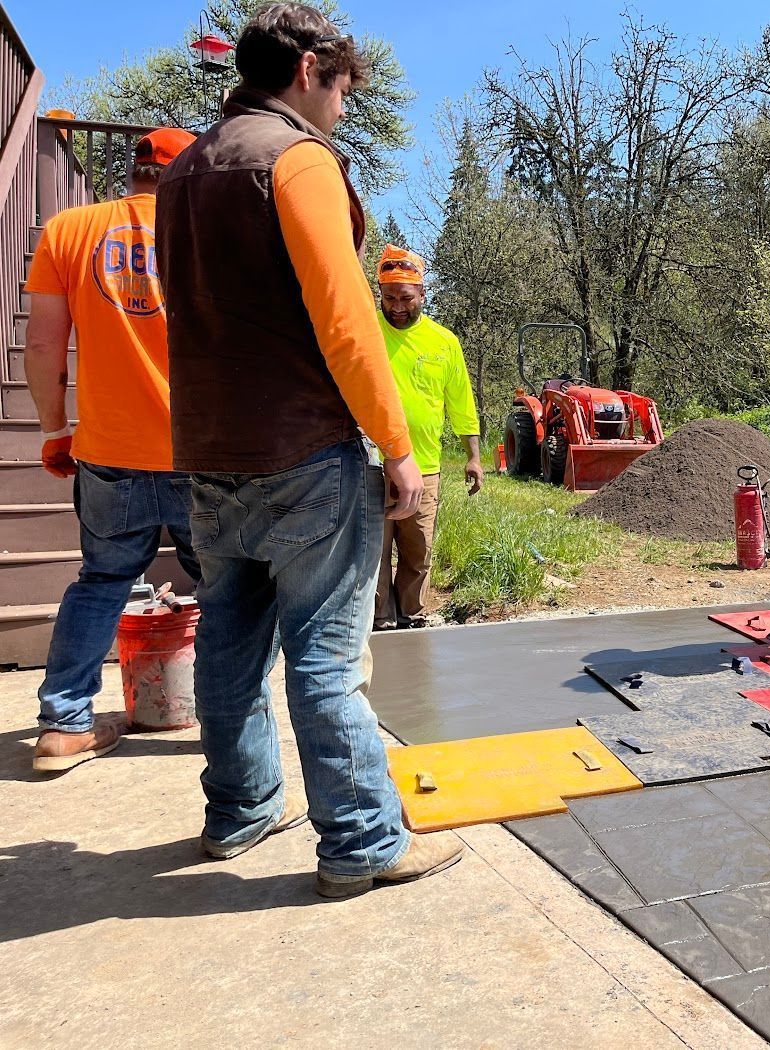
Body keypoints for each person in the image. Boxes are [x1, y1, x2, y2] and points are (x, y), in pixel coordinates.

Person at [157, 3, 461, 898]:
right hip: (301, 451)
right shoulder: (297, 161)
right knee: (327, 662)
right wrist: (396, 445)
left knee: (230, 645)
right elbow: (345, 319)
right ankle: (363, 843)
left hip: (209, 452)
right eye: (340, 91)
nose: (341, 110)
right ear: (306, 69)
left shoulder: (181, 174)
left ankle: (241, 809)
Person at [25, 127, 201, 773]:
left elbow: (43, 347)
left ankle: (64, 724)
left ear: (134, 170)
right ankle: (234, 719)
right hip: (201, 453)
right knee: (230, 587)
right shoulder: (211, 233)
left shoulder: (69, 230)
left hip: (109, 450)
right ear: (188, 174)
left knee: (101, 581)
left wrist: (54, 430)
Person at [373, 244, 483, 631]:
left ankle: (413, 613)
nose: (397, 306)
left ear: (423, 294)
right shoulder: (366, 333)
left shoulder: (443, 342)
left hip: (425, 465)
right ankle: (380, 617)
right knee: (375, 550)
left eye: (405, 298)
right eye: (389, 298)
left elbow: (460, 400)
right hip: (370, 464)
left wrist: (473, 455)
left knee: (417, 548)